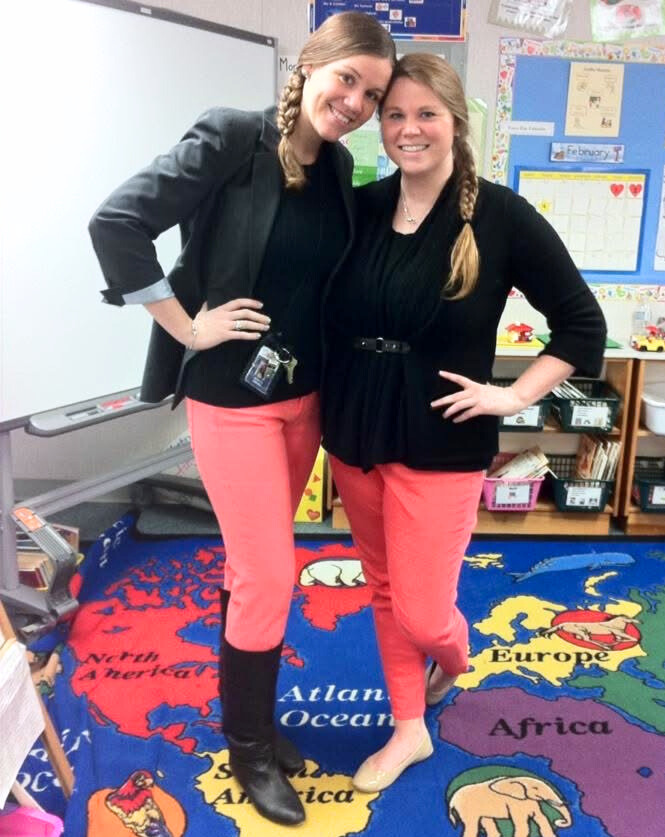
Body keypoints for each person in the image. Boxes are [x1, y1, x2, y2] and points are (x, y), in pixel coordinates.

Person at [88, 13, 394, 826]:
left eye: (373, 93)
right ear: (312, 64)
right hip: (232, 398)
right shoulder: (232, 138)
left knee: (249, 571)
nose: (357, 102)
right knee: (268, 572)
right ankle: (249, 748)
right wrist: (188, 326)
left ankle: (255, 721)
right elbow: (117, 222)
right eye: (348, 80)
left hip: (301, 400)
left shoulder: (335, 167)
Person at [320, 54, 607, 793]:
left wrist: (512, 399)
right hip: (356, 429)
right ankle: (410, 728)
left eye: (425, 115)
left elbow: (581, 327)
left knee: (422, 611)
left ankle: (455, 654)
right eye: (394, 115)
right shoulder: (363, 204)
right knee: (383, 587)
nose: (408, 129)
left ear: (456, 122)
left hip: (443, 441)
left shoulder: (500, 216)